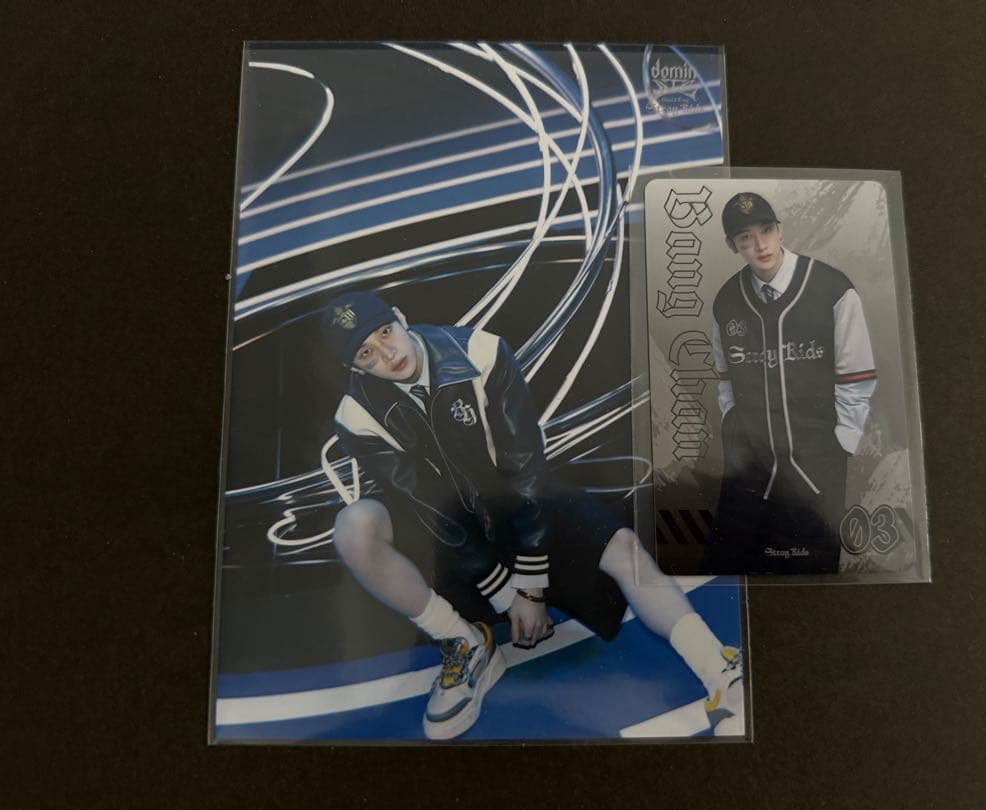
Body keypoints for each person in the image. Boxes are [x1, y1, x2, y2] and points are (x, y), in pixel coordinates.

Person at [321, 291, 741, 739]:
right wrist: (506, 596)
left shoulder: (481, 352)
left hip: (518, 507)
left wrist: (532, 584)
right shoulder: (356, 415)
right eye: (367, 353)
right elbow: (427, 503)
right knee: (355, 527)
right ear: (354, 368)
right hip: (449, 538)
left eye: (386, 332)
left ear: (401, 317)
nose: (388, 354)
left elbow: (526, 470)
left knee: (624, 548)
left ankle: (720, 673)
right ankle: (464, 643)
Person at [707, 191, 877, 575]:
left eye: (766, 230)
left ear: (780, 230)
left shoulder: (832, 288)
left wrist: (842, 442)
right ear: (732, 245)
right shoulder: (727, 301)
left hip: (816, 463)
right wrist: (732, 421)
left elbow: (857, 375)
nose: (760, 245)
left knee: (809, 573)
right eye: (746, 237)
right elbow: (725, 377)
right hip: (750, 466)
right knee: (734, 571)